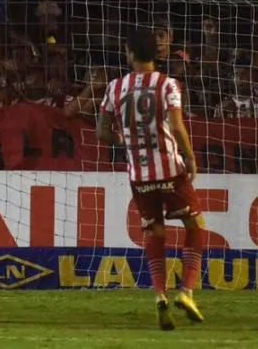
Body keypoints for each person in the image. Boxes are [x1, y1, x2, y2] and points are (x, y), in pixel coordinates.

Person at [97, 30, 205, 331]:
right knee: (195, 226)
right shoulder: (166, 84)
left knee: (154, 231)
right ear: (156, 55)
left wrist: (123, 138)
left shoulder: (115, 87)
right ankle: (186, 291)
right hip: (170, 169)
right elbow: (176, 124)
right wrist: (192, 158)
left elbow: (101, 133)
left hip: (139, 174)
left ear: (130, 54)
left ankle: (159, 294)